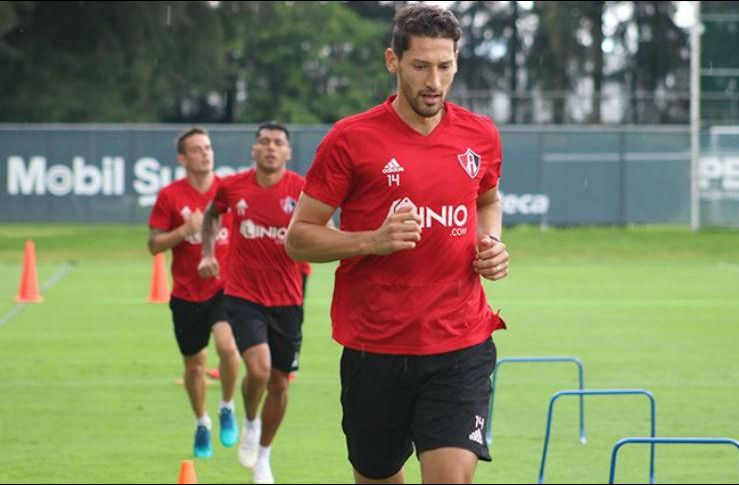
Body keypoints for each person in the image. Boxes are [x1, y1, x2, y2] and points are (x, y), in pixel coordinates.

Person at [285, 4, 509, 484]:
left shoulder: (481, 135)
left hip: (460, 340)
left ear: (456, 63)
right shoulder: (350, 138)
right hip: (377, 347)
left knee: (451, 478)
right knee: (377, 477)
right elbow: (299, 239)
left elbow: (488, 200)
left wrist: (489, 240)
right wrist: (372, 240)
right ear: (393, 62)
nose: (434, 81)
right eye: (420, 66)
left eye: (444, 66)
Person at [199, 123, 309, 484]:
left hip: (289, 299)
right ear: (253, 149)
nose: (271, 148)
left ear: (288, 153)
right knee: (259, 370)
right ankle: (250, 422)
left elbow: (320, 228)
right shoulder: (232, 187)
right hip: (243, 295)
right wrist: (208, 253)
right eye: (264, 142)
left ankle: (263, 455)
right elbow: (212, 216)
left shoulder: (301, 190)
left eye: (278, 143)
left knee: (280, 383)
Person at [147, 127, 240, 458]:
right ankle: (202, 422)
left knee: (229, 348)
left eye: (208, 147)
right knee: (194, 366)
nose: (206, 153)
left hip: (225, 288)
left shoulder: (227, 190)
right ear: (183, 159)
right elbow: (153, 245)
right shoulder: (170, 196)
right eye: (197, 149)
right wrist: (184, 230)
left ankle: (227, 406)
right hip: (186, 294)